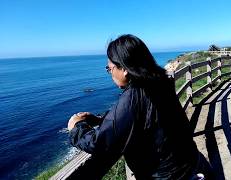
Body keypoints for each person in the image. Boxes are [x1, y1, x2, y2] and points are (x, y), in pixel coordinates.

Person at [67, 34, 214, 179]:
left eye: (110, 68)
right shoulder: (160, 83)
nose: (110, 73)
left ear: (124, 68)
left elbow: (100, 143)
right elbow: (138, 114)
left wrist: (77, 127)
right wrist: (100, 119)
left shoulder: (134, 95)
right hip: (194, 166)